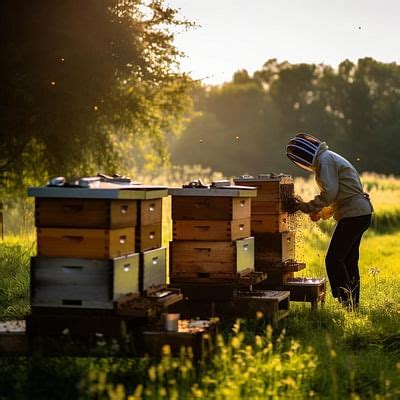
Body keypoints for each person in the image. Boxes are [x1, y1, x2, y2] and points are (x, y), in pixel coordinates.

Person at [286, 133, 373, 309]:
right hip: (359, 212)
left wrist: (306, 206)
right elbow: (340, 196)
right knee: (348, 261)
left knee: (333, 259)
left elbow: (330, 193)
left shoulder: (324, 160)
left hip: (354, 214)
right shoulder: (328, 157)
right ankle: (352, 305)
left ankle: (346, 302)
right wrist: (320, 212)